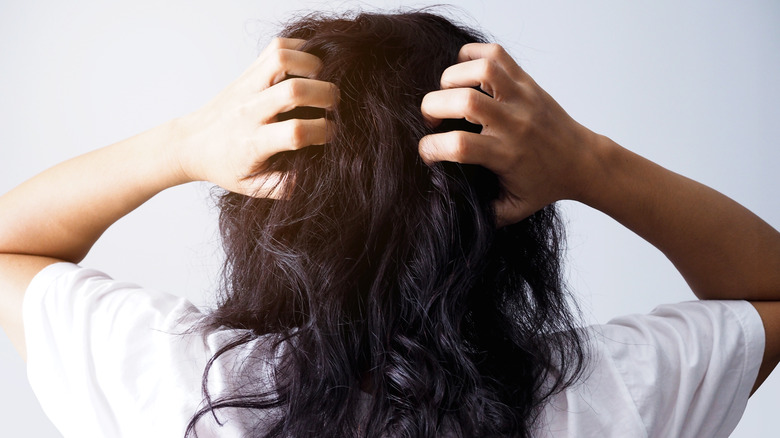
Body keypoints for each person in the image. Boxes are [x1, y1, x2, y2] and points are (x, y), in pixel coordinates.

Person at [0, 10, 778, 438]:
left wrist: (182, 144)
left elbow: (10, 245)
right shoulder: (609, 395)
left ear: (275, 211)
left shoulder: (183, 389)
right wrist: (588, 161)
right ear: (497, 213)